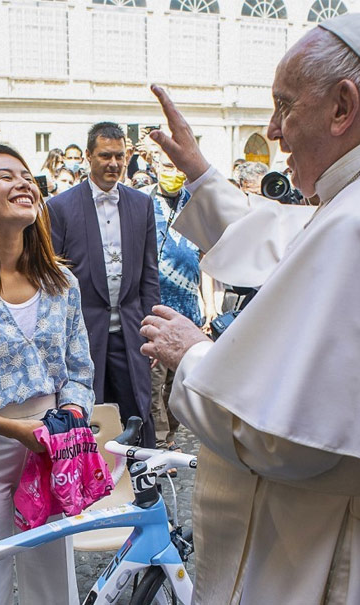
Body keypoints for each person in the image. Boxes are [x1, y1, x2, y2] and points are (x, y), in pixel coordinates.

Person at [140, 13, 360, 604]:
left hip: (338, 543)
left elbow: (280, 437)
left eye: (284, 106)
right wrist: (200, 173)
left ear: (342, 107)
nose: (272, 130)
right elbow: (289, 240)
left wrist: (194, 355)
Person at [0, 144, 94, 605]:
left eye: (27, 176)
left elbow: (80, 371)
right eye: (6, 176)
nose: (24, 183)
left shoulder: (61, 283)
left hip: (51, 451)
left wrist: (68, 412)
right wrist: (11, 429)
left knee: (53, 582)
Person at [48, 122, 160, 447]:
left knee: (136, 411)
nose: (113, 164)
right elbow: (55, 281)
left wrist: (153, 327)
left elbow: (149, 275)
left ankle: (141, 488)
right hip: (84, 335)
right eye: (105, 156)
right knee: (90, 416)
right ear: (88, 156)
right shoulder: (60, 208)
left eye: (120, 156)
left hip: (130, 331)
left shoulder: (142, 204)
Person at [140, 152, 203, 462]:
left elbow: (206, 261)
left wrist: (208, 304)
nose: (174, 173)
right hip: (156, 309)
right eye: (167, 166)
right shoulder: (142, 203)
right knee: (154, 384)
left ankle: (173, 435)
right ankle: (162, 444)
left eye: (179, 167)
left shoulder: (195, 204)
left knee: (179, 382)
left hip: (189, 308)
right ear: (155, 167)